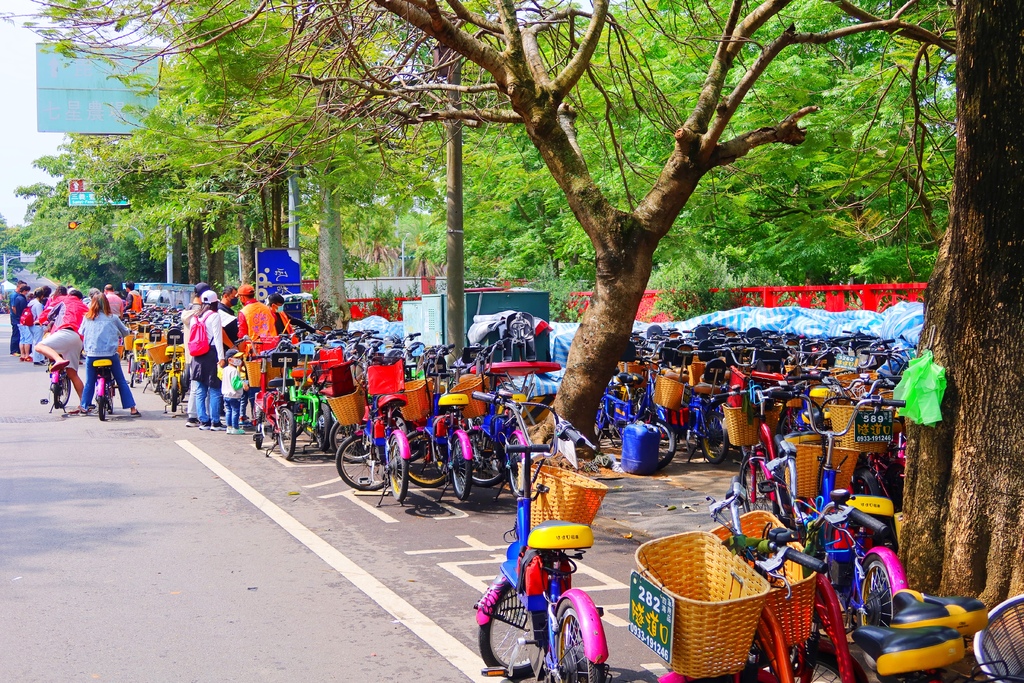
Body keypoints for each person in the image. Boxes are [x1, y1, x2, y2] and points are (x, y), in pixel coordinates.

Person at [77, 290, 140, 417]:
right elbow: (125, 332)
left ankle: (84, 407)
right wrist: (127, 332)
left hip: (91, 355)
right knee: (121, 380)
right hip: (110, 355)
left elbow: (81, 332)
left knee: (90, 381)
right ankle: (132, 408)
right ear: (106, 304)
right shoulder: (113, 318)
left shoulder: (87, 318)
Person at [34, 288, 89, 407]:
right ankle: (84, 404)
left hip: (64, 333)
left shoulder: (62, 300)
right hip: (77, 339)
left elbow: (48, 312)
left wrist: (40, 320)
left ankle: (58, 360)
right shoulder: (84, 306)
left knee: (39, 346)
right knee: (73, 374)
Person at [190, 289, 226, 431]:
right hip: (211, 353)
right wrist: (221, 358)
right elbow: (218, 338)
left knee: (200, 390)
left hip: (197, 354)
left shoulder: (195, 317)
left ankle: (203, 421)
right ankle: (215, 422)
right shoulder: (214, 316)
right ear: (214, 303)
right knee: (215, 389)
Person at [181, 283, 210, 428]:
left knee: (196, 384)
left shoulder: (188, 310)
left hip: (191, 352)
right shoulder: (202, 312)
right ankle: (197, 416)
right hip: (202, 351)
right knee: (200, 386)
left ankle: (194, 415)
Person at [221, 349, 245, 434]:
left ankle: (229, 427)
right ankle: (235, 428)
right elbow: (235, 385)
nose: (239, 360)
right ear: (230, 360)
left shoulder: (225, 369)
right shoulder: (234, 371)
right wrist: (243, 383)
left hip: (226, 395)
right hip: (234, 395)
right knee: (235, 411)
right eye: (237, 358)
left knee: (228, 411)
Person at [8, 281, 27, 355]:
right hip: (15, 318)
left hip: (18, 318)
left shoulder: (18, 295)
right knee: (16, 333)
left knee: (19, 334)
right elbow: (13, 307)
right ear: (19, 287)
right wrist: (18, 315)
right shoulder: (14, 295)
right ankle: (14, 350)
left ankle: (19, 350)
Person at [29, 287, 46, 364]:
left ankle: (39, 358)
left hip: (31, 324)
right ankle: (37, 359)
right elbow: (40, 317)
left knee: (35, 341)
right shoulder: (38, 305)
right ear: (41, 296)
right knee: (38, 342)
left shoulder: (31, 303)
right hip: (37, 325)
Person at [18, 289, 36, 362]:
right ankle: (27, 355)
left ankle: (22, 354)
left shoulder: (25, 303)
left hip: (21, 321)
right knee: (28, 339)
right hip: (27, 323)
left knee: (22, 338)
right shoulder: (32, 305)